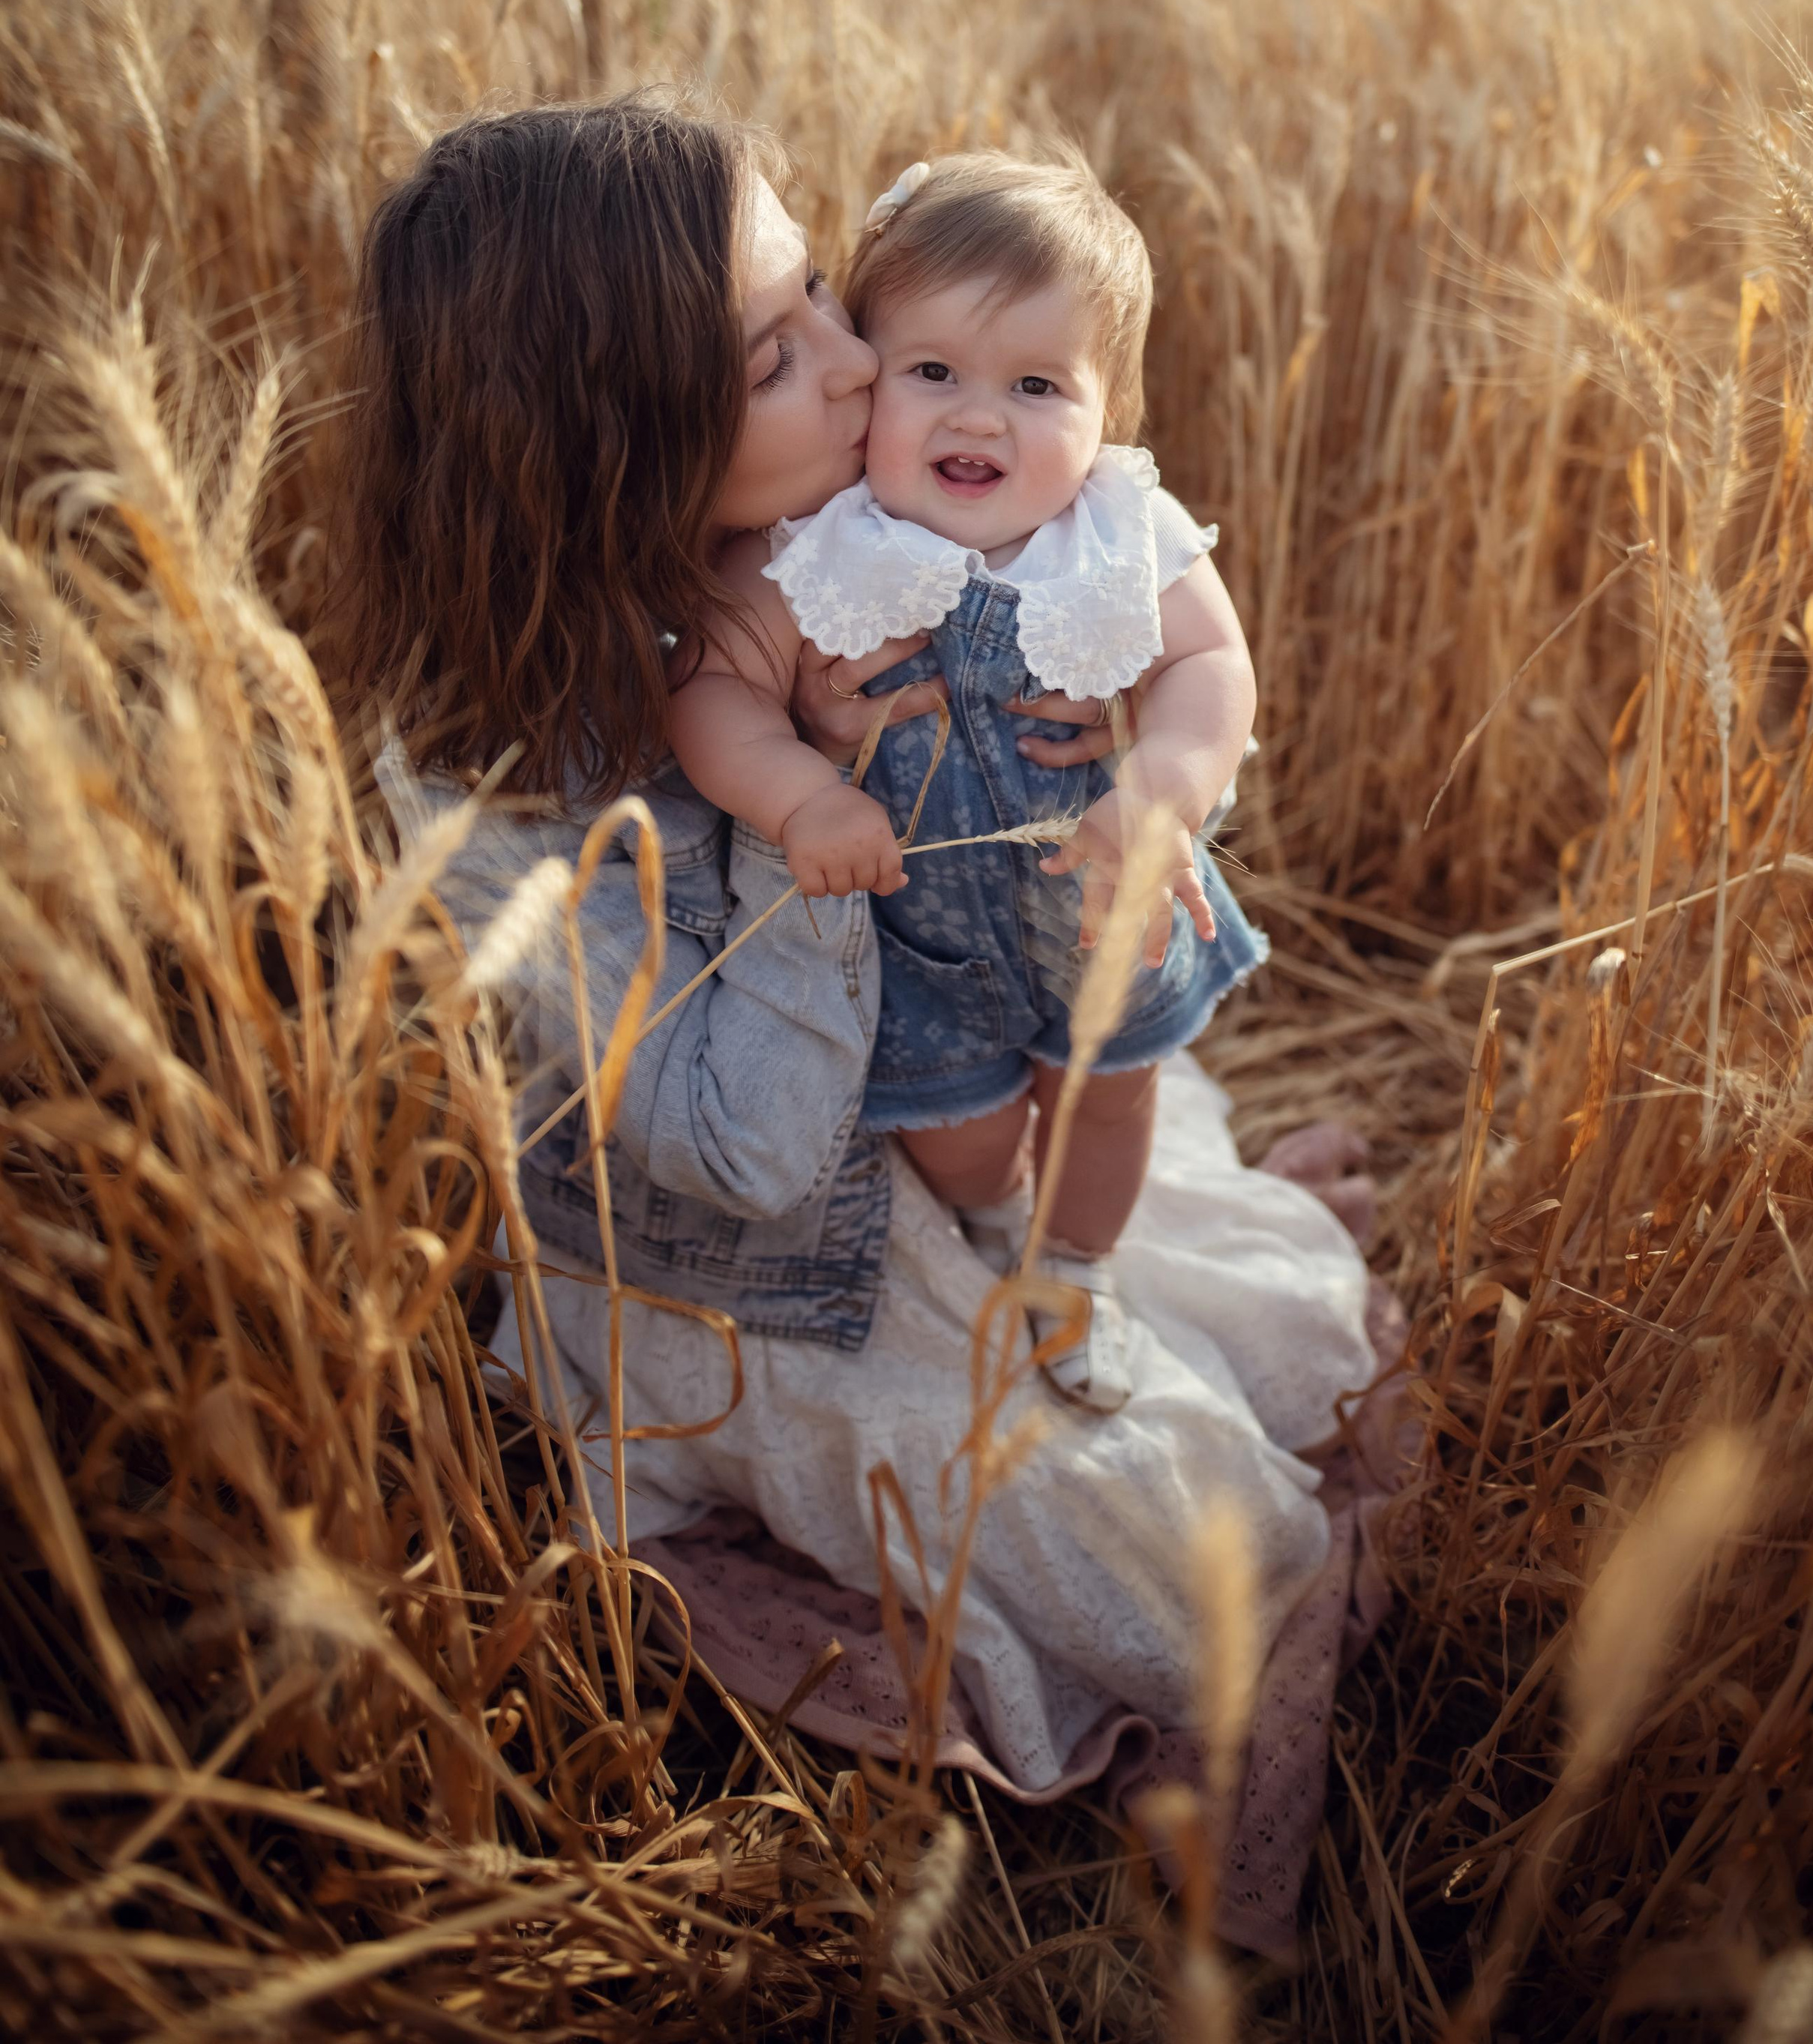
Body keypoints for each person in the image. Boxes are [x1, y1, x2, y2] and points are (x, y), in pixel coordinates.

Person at [330, 94, 1379, 1814]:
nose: (856, 361)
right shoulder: (494, 800)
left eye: (819, 289)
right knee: (1203, 1572)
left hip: (930, 1114)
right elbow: (746, 1150)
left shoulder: (848, 537)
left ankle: (1034, 1260)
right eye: (770, 356)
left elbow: (1170, 650)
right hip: (742, 1270)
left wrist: (1130, 778)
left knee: (1230, 1325)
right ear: (615, 434)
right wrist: (788, 805)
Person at [668, 151, 1265, 1412]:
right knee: (959, 1129)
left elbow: (1215, 662)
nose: (979, 416)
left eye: (1038, 385)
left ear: (1111, 411)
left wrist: (1162, 783)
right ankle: (997, 1214)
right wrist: (799, 793)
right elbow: (712, 696)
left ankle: (1075, 1264)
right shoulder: (813, 550)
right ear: (867, 367)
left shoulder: (1121, 533)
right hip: (918, 929)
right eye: (932, 371)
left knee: (1105, 1098)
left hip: (1101, 904)